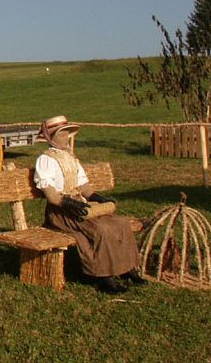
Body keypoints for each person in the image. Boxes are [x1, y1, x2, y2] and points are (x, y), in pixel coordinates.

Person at [33, 115, 145, 293]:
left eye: (67, 133)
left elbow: (84, 188)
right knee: (101, 229)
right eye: (61, 134)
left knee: (121, 223)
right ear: (51, 138)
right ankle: (104, 277)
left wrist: (98, 198)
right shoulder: (45, 160)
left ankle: (127, 268)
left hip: (81, 206)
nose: (66, 137)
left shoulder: (71, 158)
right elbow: (52, 197)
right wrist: (72, 204)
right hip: (61, 211)